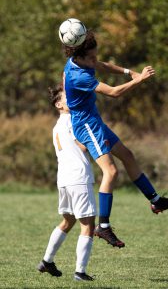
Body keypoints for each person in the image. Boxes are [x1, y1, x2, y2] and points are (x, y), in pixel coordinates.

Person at [62, 30, 168, 248]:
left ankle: (156, 201)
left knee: (128, 156)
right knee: (111, 172)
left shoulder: (82, 61)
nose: (94, 60)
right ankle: (104, 226)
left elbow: (104, 65)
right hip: (86, 126)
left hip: (94, 122)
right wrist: (140, 80)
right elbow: (113, 92)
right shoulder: (78, 75)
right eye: (91, 57)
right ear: (79, 56)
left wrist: (130, 72)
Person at [37, 84, 96, 281]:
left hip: (64, 179)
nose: (72, 99)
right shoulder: (72, 120)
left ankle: (47, 261)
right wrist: (100, 141)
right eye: (67, 97)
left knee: (68, 221)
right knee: (88, 224)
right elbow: (83, 146)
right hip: (78, 177)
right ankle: (80, 271)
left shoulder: (56, 126)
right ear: (59, 104)